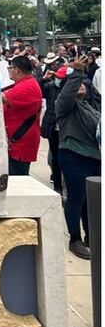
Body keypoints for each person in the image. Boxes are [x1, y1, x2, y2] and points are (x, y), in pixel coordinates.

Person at [54, 55, 101, 260]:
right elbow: (68, 93)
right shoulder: (64, 105)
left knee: (91, 201)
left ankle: (93, 236)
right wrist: (76, 72)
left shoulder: (88, 106)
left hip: (93, 158)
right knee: (76, 199)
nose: (81, 86)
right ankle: (75, 239)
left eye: (83, 84)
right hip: (74, 157)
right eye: (77, 85)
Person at [2, 55, 43, 176]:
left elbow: (0, 98)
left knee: (17, 181)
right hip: (18, 141)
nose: (9, 71)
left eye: (10, 68)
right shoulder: (24, 83)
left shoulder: (27, 86)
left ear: (17, 69)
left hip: (20, 144)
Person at [39, 54, 65, 194]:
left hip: (67, 129)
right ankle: (57, 186)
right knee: (55, 157)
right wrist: (43, 79)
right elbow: (38, 90)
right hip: (53, 127)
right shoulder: (50, 87)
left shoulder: (70, 90)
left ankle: (64, 184)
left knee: (65, 158)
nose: (58, 80)